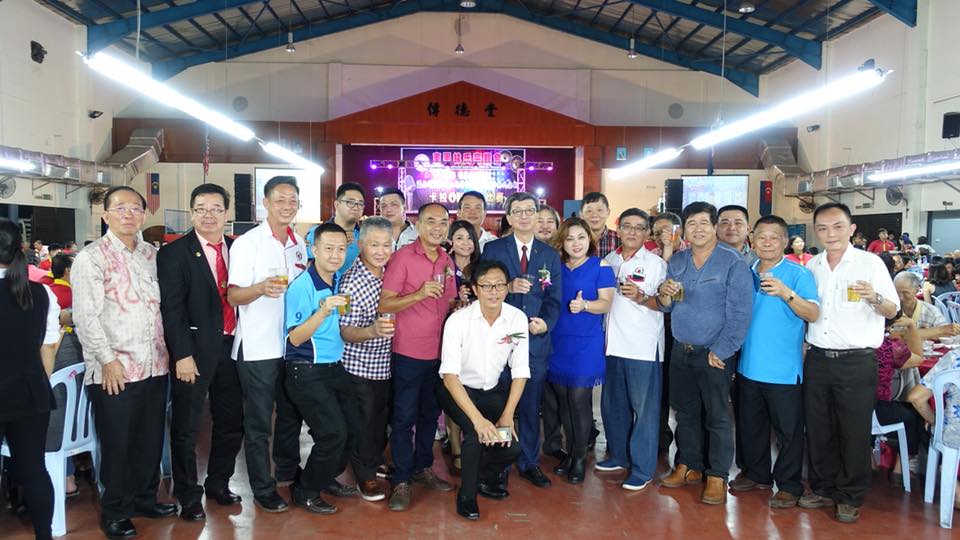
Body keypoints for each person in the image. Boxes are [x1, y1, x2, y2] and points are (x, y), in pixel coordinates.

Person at [72, 186, 175, 538]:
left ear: (144, 215)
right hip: (114, 369)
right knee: (117, 443)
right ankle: (115, 510)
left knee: (149, 439)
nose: (128, 214)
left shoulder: (151, 254)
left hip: (155, 364)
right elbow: (86, 317)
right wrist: (107, 360)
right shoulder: (92, 257)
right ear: (105, 215)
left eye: (135, 208)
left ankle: (144, 498)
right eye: (120, 208)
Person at [800, 202, 899, 524]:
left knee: (854, 431)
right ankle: (823, 487)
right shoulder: (812, 266)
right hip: (818, 358)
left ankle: (850, 495)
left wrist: (874, 297)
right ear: (816, 231)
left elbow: (893, 310)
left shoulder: (870, 264)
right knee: (818, 428)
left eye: (838, 226)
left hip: (857, 361)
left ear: (852, 229)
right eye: (823, 228)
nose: (831, 234)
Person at [656, 201, 752, 505]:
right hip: (681, 350)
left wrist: (723, 350)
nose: (697, 229)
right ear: (684, 229)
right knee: (685, 413)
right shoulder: (678, 260)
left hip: (714, 353)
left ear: (714, 227)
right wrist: (664, 294)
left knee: (717, 416)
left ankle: (717, 476)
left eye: (703, 223)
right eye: (691, 224)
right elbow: (666, 306)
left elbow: (741, 313)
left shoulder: (732, 262)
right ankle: (688, 465)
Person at [158, 183, 244, 521]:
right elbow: (172, 309)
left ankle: (219, 484)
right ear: (191, 213)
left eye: (216, 209)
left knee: (231, 422)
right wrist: (181, 354)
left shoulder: (238, 248)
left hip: (233, 348)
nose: (209, 215)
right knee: (187, 426)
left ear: (227, 213)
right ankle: (188, 494)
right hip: (193, 353)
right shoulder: (174, 253)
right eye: (201, 209)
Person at [227, 176, 309, 513]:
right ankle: (263, 487)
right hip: (258, 347)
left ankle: (287, 472)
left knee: (290, 415)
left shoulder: (299, 243)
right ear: (265, 203)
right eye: (280, 200)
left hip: (290, 345)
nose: (287, 206)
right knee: (259, 422)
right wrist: (261, 288)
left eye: (293, 200)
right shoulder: (248, 243)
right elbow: (233, 295)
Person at [732, 215, 820, 508]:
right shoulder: (746, 271)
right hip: (748, 366)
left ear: (785, 241)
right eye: (762, 237)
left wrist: (786, 293)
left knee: (789, 432)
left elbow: (813, 313)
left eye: (774, 237)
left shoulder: (798, 274)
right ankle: (757, 474)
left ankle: (789, 484)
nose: (767, 242)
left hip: (783, 370)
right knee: (750, 426)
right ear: (752, 240)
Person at [481, 192, 563, 489]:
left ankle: (529, 462)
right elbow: (483, 288)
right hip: (502, 339)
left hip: (534, 341)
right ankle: (500, 464)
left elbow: (554, 298)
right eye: (518, 211)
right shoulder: (493, 249)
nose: (525, 216)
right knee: (501, 403)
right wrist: (508, 287)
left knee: (530, 405)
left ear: (538, 215)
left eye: (530, 210)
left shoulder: (549, 254)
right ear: (509, 217)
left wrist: (546, 324)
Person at [379, 203, 457, 511]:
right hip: (409, 352)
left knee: (429, 416)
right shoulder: (403, 258)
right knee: (403, 418)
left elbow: (448, 301)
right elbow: (385, 303)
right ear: (418, 225)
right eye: (431, 221)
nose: (437, 228)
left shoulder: (447, 260)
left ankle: (423, 467)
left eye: (443, 222)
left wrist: (460, 305)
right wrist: (418, 294)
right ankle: (401, 479)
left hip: (439, 353)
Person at [436, 259, 529, 520]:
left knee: (511, 446)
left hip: (491, 391)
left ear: (508, 287)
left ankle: (484, 477)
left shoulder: (517, 319)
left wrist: (507, 415)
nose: (494, 291)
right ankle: (466, 496)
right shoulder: (458, 321)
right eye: (486, 286)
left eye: (499, 285)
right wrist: (478, 420)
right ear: (475, 289)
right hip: (456, 389)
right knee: (476, 435)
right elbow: (449, 376)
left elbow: (520, 370)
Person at [282, 222, 361, 515]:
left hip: (334, 367)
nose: (335, 255)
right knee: (332, 433)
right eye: (328, 248)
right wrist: (323, 310)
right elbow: (295, 338)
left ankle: (325, 476)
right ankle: (306, 491)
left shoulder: (337, 279)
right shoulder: (302, 286)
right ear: (314, 249)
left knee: (352, 428)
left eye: (341, 249)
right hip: (306, 370)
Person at [0, 218, 59, 540]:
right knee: (35, 469)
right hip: (30, 391)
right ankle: (44, 535)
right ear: (21, 248)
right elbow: (48, 346)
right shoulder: (41, 292)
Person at [599, 208, 666, 491]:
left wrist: (641, 296)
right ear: (618, 228)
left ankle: (642, 468)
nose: (632, 232)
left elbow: (665, 303)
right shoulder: (608, 261)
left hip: (643, 347)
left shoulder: (655, 264)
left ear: (647, 233)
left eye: (639, 228)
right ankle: (618, 455)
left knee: (644, 411)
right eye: (627, 226)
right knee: (613, 406)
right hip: (612, 345)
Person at [546, 217, 615, 484]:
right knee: (563, 399)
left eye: (581, 237)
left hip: (586, 342)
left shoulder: (601, 266)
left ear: (590, 239)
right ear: (562, 242)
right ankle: (570, 450)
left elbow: (606, 303)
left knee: (579, 400)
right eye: (570, 239)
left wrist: (585, 305)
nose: (576, 244)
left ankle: (579, 457)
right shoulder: (555, 267)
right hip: (558, 340)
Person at [339, 217, 396, 502]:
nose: (380, 251)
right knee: (364, 421)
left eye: (386, 245)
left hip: (385, 363)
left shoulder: (389, 273)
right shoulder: (352, 281)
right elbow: (345, 331)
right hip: (359, 365)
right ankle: (365, 476)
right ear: (361, 245)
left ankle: (373, 459)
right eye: (374, 244)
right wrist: (372, 330)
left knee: (380, 418)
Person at [875, 313, 925, 488]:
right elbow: (919, 358)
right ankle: (900, 468)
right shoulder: (889, 348)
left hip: (849, 406)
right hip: (878, 410)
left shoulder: (849, 342)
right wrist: (911, 326)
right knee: (915, 413)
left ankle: (869, 458)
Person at [907, 348, 960, 512]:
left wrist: (934, 420)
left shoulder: (955, 356)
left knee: (932, 427)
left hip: (955, 434)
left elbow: (916, 398)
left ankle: (954, 485)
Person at [307, 182, 365, 273]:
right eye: (350, 202)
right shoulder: (317, 232)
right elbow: (307, 266)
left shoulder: (364, 236)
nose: (356, 207)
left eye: (360, 204)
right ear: (337, 204)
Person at [894, 271, 960, 340]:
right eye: (896, 292)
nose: (900, 297)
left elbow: (946, 334)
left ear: (917, 290)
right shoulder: (891, 310)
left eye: (905, 293)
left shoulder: (931, 311)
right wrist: (931, 332)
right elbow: (891, 335)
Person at [580, 192, 619, 258]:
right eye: (589, 211)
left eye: (599, 210)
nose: (594, 215)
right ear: (581, 214)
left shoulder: (619, 240)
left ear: (608, 212)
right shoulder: (574, 240)